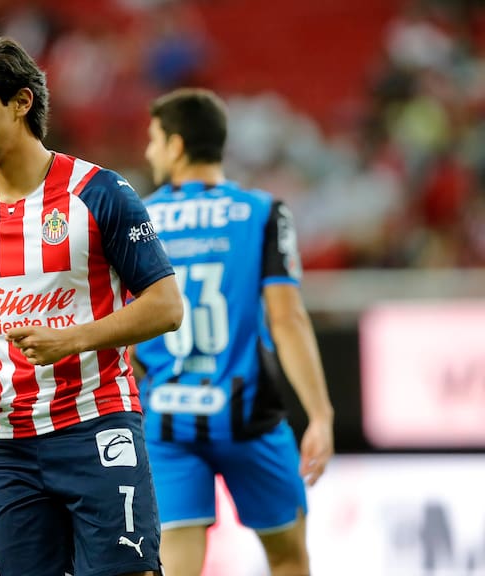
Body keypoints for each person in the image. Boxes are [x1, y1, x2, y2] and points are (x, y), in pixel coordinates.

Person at [0, 36, 182, 576]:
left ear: (20, 102)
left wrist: (73, 339)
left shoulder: (100, 192)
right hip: (6, 442)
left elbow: (166, 306)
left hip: (97, 425)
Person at [133, 88, 334, 576]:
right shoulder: (264, 213)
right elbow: (287, 319)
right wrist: (320, 414)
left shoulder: (139, 219)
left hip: (166, 420)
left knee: (175, 565)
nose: (148, 152)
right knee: (288, 558)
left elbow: (129, 324)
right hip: (249, 416)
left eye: (154, 140)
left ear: (177, 146)